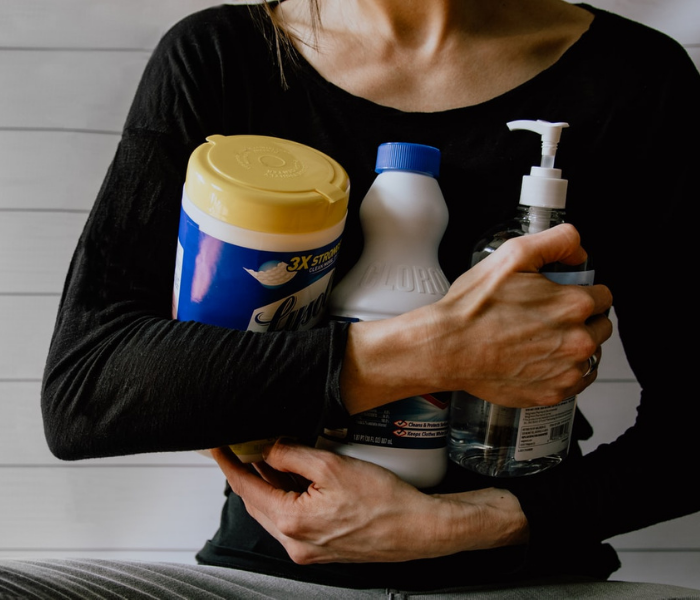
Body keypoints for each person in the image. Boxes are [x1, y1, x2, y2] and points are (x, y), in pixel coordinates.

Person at [2, 0, 699, 598]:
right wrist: (437, 350)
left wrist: (461, 525)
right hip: (271, 577)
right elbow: (88, 392)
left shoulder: (637, 78)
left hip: (529, 573)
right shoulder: (224, 57)